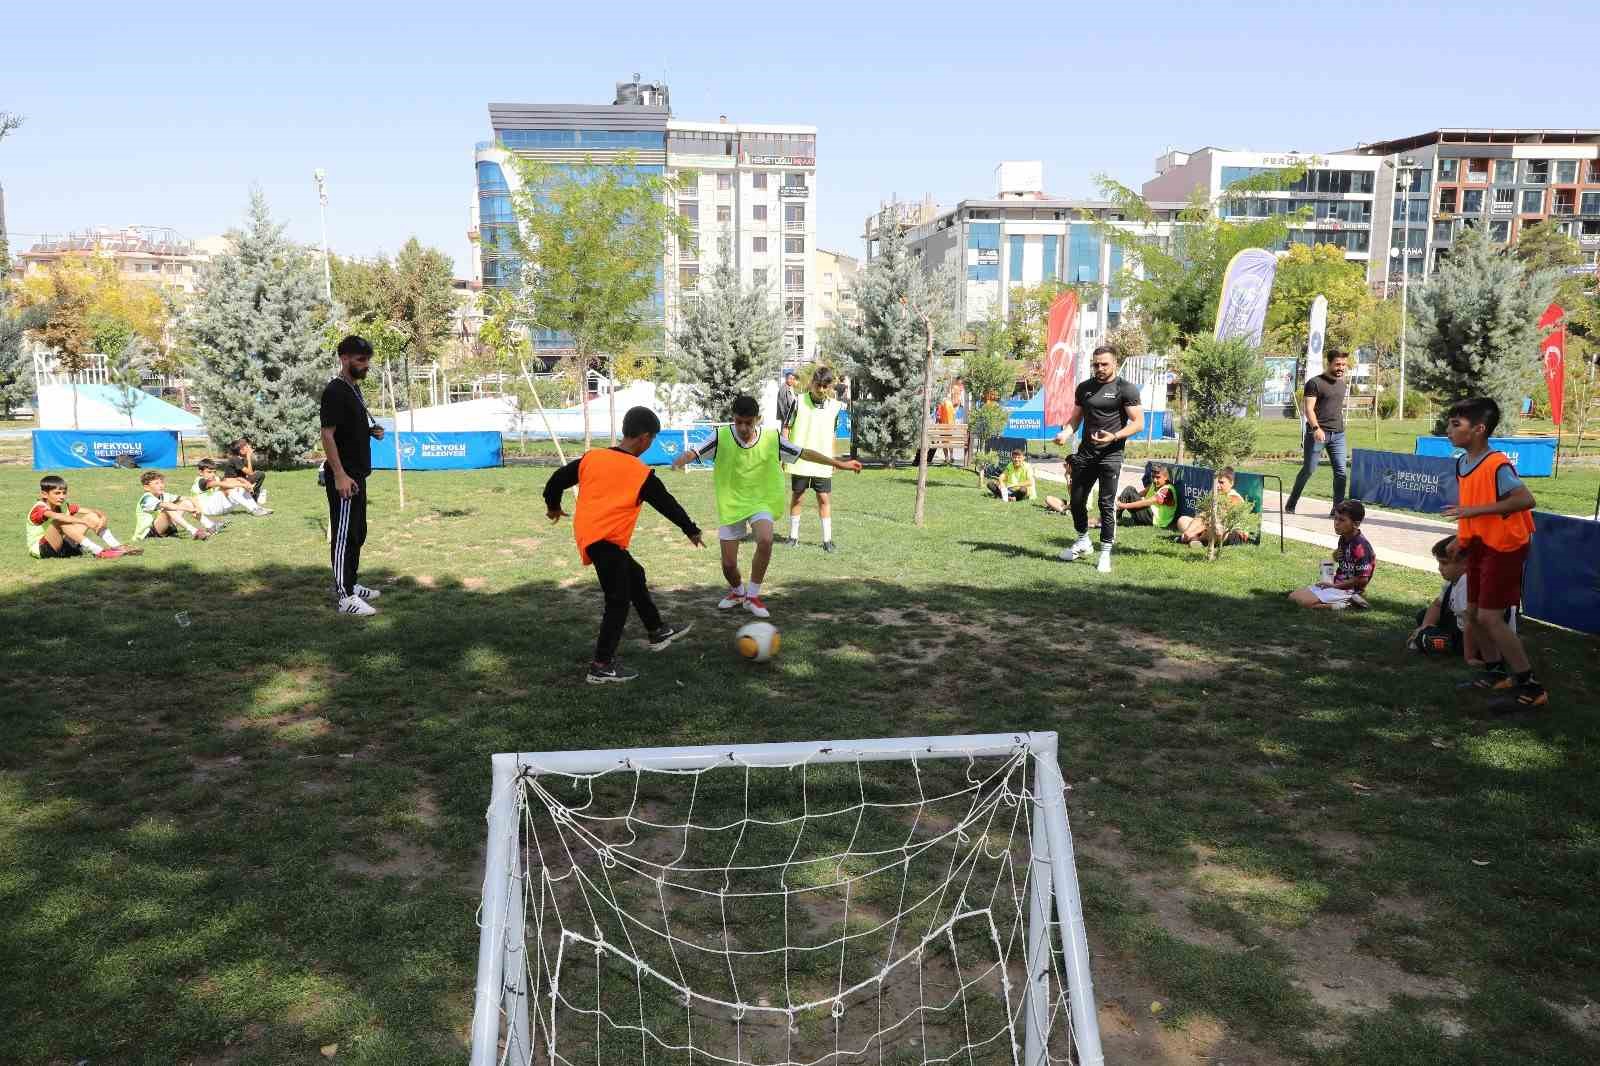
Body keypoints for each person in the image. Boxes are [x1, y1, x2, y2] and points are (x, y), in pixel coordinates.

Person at [543, 406, 701, 685]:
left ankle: (657, 630)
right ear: (644, 438)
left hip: (591, 536)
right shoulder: (639, 473)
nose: (649, 445)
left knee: (634, 575)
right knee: (618, 599)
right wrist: (690, 529)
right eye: (651, 440)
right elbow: (667, 504)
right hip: (604, 541)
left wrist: (553, 505)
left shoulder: (593, 458)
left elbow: (556, 480)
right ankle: (601, 665)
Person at [673, 394, 862, 619]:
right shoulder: (720, 435)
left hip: (761, 500)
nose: (743, 427)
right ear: (733, 419)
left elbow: (804, 453)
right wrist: (682, 459)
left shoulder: (772, 438)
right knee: (728, 565)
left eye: (748, 422)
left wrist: (840, 463)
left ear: (757, 419)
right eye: (738, 422)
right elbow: (694, 452)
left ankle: (752, 596)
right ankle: (738, 592)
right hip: (732, 502)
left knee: (765, 539)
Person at [1441, 397, 1545, 711]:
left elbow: (1526, 500)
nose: (1449, 428)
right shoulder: (1462, 463)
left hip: (1506, 546)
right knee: (1472, 613)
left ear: (1479, 429)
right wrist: (1463, 538)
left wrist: (1472, 512)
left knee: (1489, 616)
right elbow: (1472, 505)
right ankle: (1496, 673)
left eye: (1456, 424)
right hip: (1480, 544)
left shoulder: (1497, 463)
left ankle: (1532, 686)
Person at [1056, 346, 1144, 573]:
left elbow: (1138, 423)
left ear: (1114, 363)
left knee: (1105, 504)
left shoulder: (1126, 389)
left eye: (1104, 364)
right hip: (1085, 454)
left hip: (1111, 455)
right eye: (1096, 364)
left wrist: (1114, 436)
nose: (1099, 368)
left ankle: (1105, 552)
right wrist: (1066, 433)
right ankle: (1083, 540)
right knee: (1076, 501)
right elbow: (1075, 419)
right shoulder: (1084, 388)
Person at [320, 335, 387, 616]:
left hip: (358, 476)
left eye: (367, 360)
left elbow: (348, 430)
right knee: (345, 535)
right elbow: (327, 435)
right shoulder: (335, 391)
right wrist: (339, 475)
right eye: (361, 360)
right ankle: (344, 596)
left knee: (358, 533)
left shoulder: (353, 390)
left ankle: (352, 582)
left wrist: (371, 431)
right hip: (344, 478)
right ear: (344, 359)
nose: (365, 365)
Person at [782, 365, 846, 551]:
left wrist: (833, 459)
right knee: (798, 497)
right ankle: (793, 537)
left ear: (830, 387)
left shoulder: (834, 407)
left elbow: (832, 434)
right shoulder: (798, 401)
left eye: (825, 386)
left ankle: (827, 540)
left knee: (824, 499)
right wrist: (785, 453)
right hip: (801, 461)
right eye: (818, 385)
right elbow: (787, 427)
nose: (821, 390)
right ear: (811, 384)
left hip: (823, 462)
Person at [1285, 350, 1351, 516]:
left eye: (1343, 364)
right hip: (1317, 434)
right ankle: (1291, 503)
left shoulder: (1342, 384)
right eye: (1337, 364)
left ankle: (1338, 510)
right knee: (1309, 469)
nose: (1341, 368)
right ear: (1328, 363)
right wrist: (1316, 428)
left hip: (1338, 435)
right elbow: (1308, 409)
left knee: (1341, 472)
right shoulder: (1314, 383)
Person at [1288, 500, 1375, 609]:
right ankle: (1340, 602)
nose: (1336, 523)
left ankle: (1346, 604)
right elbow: (1342, 560)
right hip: (1336, 584)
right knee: (1293, 597)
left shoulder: (1361, 547)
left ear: (1356, 524)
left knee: (1304, 602)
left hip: (1348, 590)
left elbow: (1362, 579)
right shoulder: (1344, 538)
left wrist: (1334, 586)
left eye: (1342, 520)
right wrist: (1334, 557)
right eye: (1336, 518)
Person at [27, 475, 135, 559]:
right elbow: (56, 516)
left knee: (92, 516)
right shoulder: (39, 508)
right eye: (57, 493)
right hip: (42, 549)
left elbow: (93, 511)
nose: (62, 497)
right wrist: (84, 522)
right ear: (44, 494)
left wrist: (102, 517)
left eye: (64, 493)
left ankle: (117, 546)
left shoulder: (64, 505)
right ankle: (98, 552)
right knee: (59, 521)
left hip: (62, 547)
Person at [1175, 467, 1250, 546]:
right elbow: (1203, 515)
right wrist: (1188, 531)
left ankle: (1195, 539)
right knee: (1182, 520)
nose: (1217, 485)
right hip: (1212, 528)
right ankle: (1195, 540)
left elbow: (1214, 519)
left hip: (1233, 534)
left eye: (1221, 482)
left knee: (1216, 528)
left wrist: (1193, 532)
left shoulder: (1234, 498)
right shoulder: (1215, 494)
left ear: (1231, 483)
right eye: (1216, 482)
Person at [134, 471, 216, 541]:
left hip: (166, 528)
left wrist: (198, 508)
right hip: (148, 534)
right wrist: (188, 509)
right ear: (146, 487)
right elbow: (167, 506)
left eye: (162, 482)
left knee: (187, 502)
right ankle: (194, 531)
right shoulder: (146, 498)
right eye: (156, 483)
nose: (161, 485)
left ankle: (210, 526)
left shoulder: (164, 495)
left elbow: (190, 498)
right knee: (167, 508)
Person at [192, 459, 272, 518]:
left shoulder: (215, 477)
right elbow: (221, 484)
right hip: (208, 509)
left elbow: (229, 479)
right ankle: (255, 510)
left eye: (214, 472)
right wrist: (242, 485)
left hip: (220, 508)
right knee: (229, 489)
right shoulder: (201, 481)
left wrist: (243, 481)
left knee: (237, 487)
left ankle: (256, 508)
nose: (213, 474)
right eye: (209, 472)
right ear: (200, 472)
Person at [1115, 463, 1177, 528]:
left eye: (1158, 477)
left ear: (1166, 477)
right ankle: (1116, 517)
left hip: (1156, 520)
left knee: (1129, 490)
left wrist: (1124, 505)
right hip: (1149, 516)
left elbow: (1147, 502)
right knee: (1130, 490)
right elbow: (1138, 494)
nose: (1155, 480)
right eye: (1153, 477)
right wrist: (1124, 498)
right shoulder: (1154, 484)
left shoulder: (1167, 490)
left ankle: (1115, 517)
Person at [222, 438, 267, 503]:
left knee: (258, 473)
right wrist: (248, 457)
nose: (248, 448)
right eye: (246, 447)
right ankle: (252, 496)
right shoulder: (235, 459)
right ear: (241, 450)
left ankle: (252, 494)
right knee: (260, 474)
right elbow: (250, 473)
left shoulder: (238, 458)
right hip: (234, 483)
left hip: (239, 480)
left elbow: (249, 472)